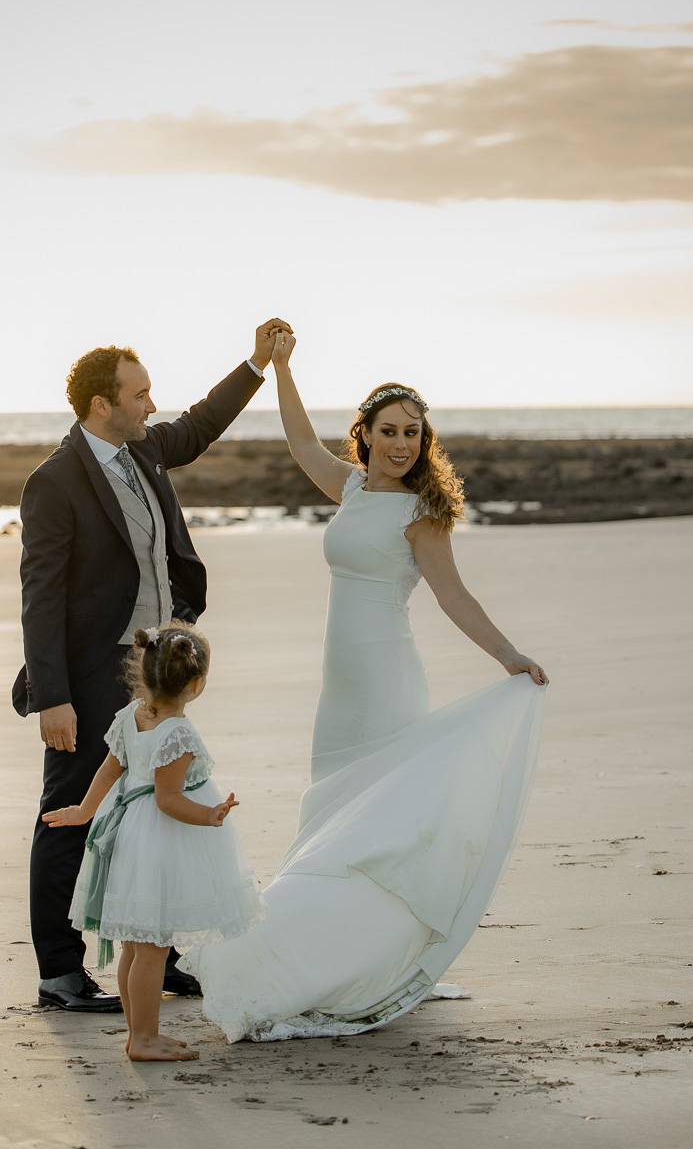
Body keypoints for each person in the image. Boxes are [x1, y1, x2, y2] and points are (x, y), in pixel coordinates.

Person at [179, 329, 549, 1040]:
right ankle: (334, 951)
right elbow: (296, 441)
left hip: (387, 682)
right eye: (390, 431)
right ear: (367, 435)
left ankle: (368, 961)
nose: (403, 443)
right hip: (339, 689)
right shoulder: (350, 486)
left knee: (376, 832)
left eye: (414, 433)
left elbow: (455, 598)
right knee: (330, 817)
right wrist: (283, 368)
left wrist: (508, 655)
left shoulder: (420, 512)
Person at [13, 320, 290, 1011]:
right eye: (139, 394)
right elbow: (40, 594)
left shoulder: (146, 452)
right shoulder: (55, 481)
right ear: (102, 404)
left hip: (151, 670)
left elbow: (201, 424)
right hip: (85, 675)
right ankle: (59, 972)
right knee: (71, 812)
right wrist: (53, 695)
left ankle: (153, 956)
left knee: (154, 813)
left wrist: (256, 361)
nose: (150, 405)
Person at [42, 624, 263, 1061]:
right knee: (152, 949)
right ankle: (144, 1038)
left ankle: (137, 1033)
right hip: (161, 841)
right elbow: (168, 800)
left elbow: (110, 769)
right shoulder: (178, 734)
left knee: (138, 946)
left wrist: (85, 811)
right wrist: (209, 815)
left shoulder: (131, 715)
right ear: (196, 685)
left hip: (130, 834)